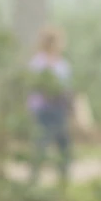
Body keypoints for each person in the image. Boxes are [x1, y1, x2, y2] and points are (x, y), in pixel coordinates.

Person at [28, 26, 73, 183]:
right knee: (41, 142)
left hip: (59, 108)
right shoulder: (38, 63)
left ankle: (63, 177)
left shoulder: (62, 64)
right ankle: (34, 177)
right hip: (43, 108)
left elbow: (67, 86)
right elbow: (33, 85)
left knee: (63, 142)